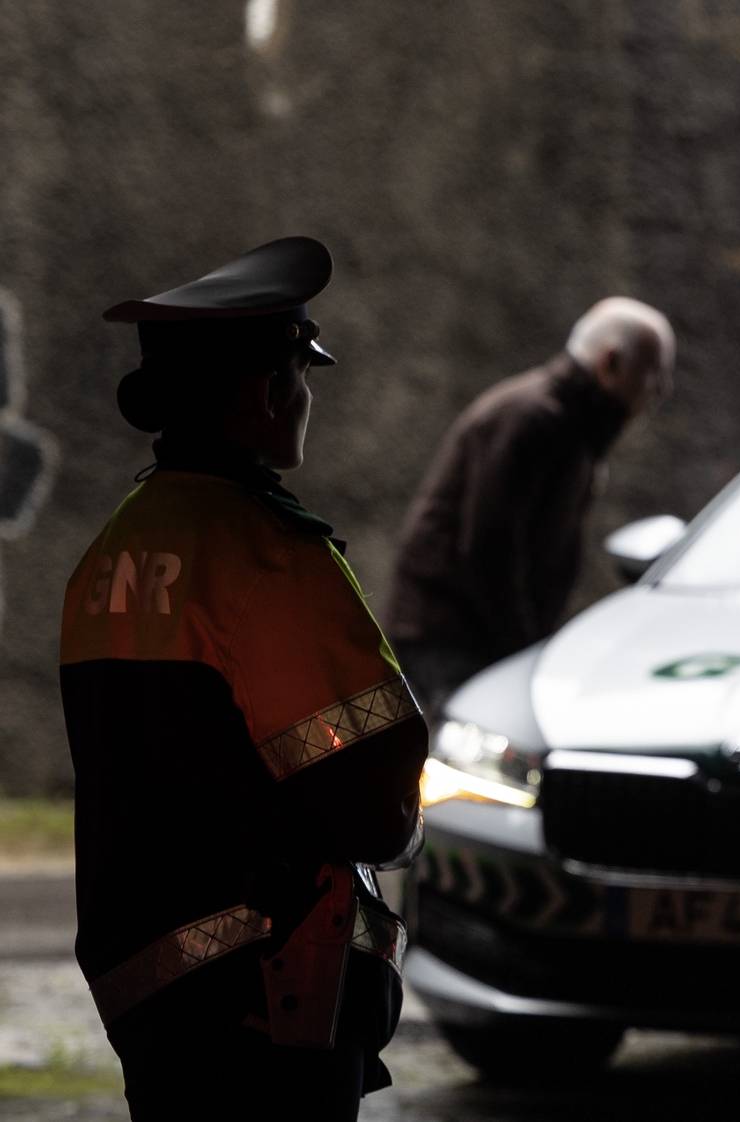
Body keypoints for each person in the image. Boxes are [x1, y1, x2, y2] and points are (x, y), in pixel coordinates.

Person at [61, 236, 426, 1120]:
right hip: (268, 1003)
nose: (304, 398)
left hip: (151, 996)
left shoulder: (111, 551)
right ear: (268, 392)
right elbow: (376, 807)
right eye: (300, 376)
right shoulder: (270, 555)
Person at [387, 296, 674, 712]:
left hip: (468, 641)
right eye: (654, 377)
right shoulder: (533, 420)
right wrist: (525, 652)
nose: (659, 394)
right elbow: (490, 551)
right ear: (610, 363)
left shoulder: (568, 429)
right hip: (451, 641)